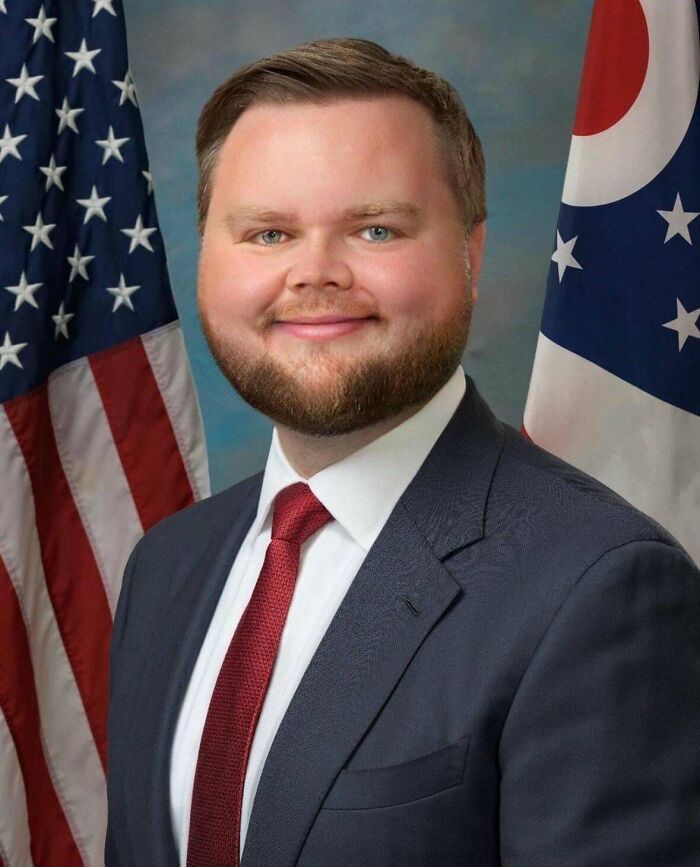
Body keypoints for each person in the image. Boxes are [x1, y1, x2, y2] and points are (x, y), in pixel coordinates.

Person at [105, 37, 700, 867]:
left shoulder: (599, 588)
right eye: (269, 233)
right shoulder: (166, 566)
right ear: (205, 254)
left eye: (376, 229)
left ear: (471, 255)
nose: (314, 273)